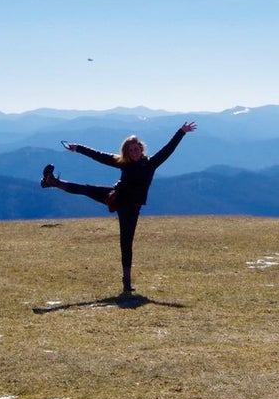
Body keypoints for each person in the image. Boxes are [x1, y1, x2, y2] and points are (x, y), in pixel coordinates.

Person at [40, 122, 197, 294]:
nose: (134, 152)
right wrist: (78, 148)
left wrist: (181, 132)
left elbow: (168, 148)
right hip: (115, 197)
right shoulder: (124, 163)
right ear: (127, 152)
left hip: (131, 207)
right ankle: (52, 182)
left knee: (126, 242)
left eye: (136, 149)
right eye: (130, 150)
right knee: (86, 189)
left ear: (141, 149)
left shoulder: (151, 163)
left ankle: (126, 282)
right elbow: (99, 156)